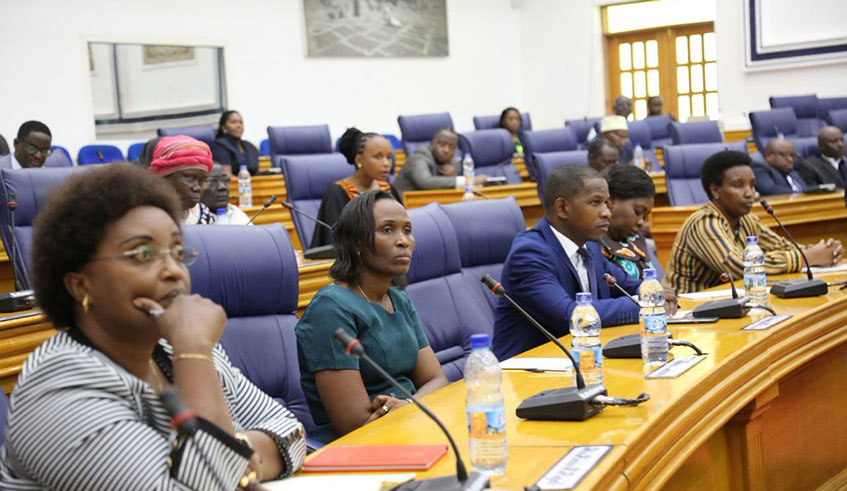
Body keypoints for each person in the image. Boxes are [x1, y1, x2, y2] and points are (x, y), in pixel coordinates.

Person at [0, 164, 306, 489]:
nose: (174, 271)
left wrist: (237, 457)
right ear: (80, 285)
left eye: (177, 251)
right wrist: (194, 356)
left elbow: (290, 429)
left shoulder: (176, 346)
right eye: (143, 254)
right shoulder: (59, 392)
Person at [296, 190, 448, 443]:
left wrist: (409, 405)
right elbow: (353, 422)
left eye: (407, 230)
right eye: (387, 230)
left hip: (410, 423)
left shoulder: (398, 297)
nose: (404, 241)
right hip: (361, 444)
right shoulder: (330, 308)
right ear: (356, 243)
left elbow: (436, 378)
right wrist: (413, 407)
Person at [492, 164, 648, 360]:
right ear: (562, 208)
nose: (607, 213)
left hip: (580, 360)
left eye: (607, 203)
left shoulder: (589, 246)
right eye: (596, 203)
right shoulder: (529, 255)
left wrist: (654, 291)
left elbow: (628, 286)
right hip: (526, 376)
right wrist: (645, 303)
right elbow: (572, 316)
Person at [663, 150, 843, 294]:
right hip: (686, 313)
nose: (750, 193)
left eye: (752, 184)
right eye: (738, 185)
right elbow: (741, 267)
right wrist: (808, 258)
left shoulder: (747, 219)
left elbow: (783, 247)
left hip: (726, 306)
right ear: (715, 190)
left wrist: (823, 251)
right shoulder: (704, 222)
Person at [311, 127, 401, 248]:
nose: (386, 163)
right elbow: (333, 242)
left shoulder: (388, 189)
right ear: (359, 160)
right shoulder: (338, 192)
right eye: (378, 157)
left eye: (389, 157)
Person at [393, 128, 488, 197]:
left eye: (451, 147)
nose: (446, 150)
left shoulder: (454, 162)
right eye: (442, 145)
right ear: (432, 144)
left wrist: (454, 177)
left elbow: (455, 186)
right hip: (402, 206)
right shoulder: (419, 156)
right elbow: (426, 182)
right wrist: (469, 181)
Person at [149, 135, 216, 225]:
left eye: (202, 181)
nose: (197, 188)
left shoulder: (204, 215)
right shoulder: (145, 217)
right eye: (189, 178)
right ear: (163, 178)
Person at [211, 110, 260, 176]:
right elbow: (227, 176)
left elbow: (256, 173)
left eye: (241, 122)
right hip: (235, 185)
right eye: (233, 122)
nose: (238, 125)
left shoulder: (250, 146)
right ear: (224, 127)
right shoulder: (220, 146)